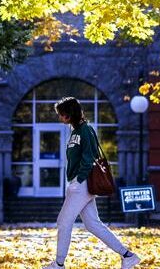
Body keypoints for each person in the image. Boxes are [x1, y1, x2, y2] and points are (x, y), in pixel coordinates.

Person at [42, 96, 141, 269]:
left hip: (82, 184)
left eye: (61, 114)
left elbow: (89, 158)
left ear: (69, 114)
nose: (59, 117)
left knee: (63, 222)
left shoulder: (86, 130)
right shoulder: (75, 131)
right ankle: (128, 256)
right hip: (80, 183)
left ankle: (59, 264)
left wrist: (77, 181)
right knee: (93, 225)